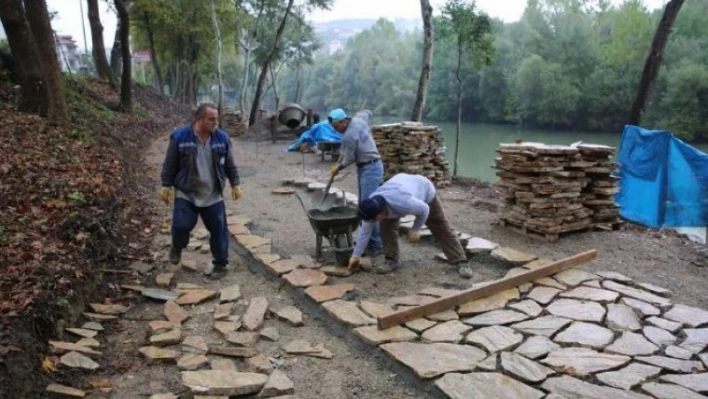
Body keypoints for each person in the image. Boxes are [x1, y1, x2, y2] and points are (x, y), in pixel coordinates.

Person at [159, 102, 242, 279]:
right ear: (199, 119)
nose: (216, 122)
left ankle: (220, 264)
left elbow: (229, 164)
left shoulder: (222, 138)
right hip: (186, 192)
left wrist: (235, 183)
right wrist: (166, 185)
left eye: (217, 119)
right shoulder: (180, 137)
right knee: (181, 226)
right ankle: (177, 246)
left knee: (219, 230)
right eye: (211, 119)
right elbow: (170, 163)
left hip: (212, 194)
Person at [348, 173, 473, 278]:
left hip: (424, 190)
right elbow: (365, 232)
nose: (370, 223)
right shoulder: (370, 206)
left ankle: (461, 261)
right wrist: (356, 256)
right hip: (401, 184)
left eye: (372, 220)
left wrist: (415, 230)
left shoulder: (404, 202)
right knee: (386, 228)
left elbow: (424, 210)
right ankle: (391, 260)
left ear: (378, 214)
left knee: (440, 226)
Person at [328, 108, 383, 256]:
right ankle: (367, 241)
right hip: (369, 167)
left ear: (344, 121)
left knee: (368, 208)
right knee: (365, 205)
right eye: (333, 127)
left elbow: (349, 158)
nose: (335, 129)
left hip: (370, 169)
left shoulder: (349, 136)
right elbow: (366, 112)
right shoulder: (359, 119)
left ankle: (376, 245)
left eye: (336, 126)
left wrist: (338, 167)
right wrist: (367, 110)